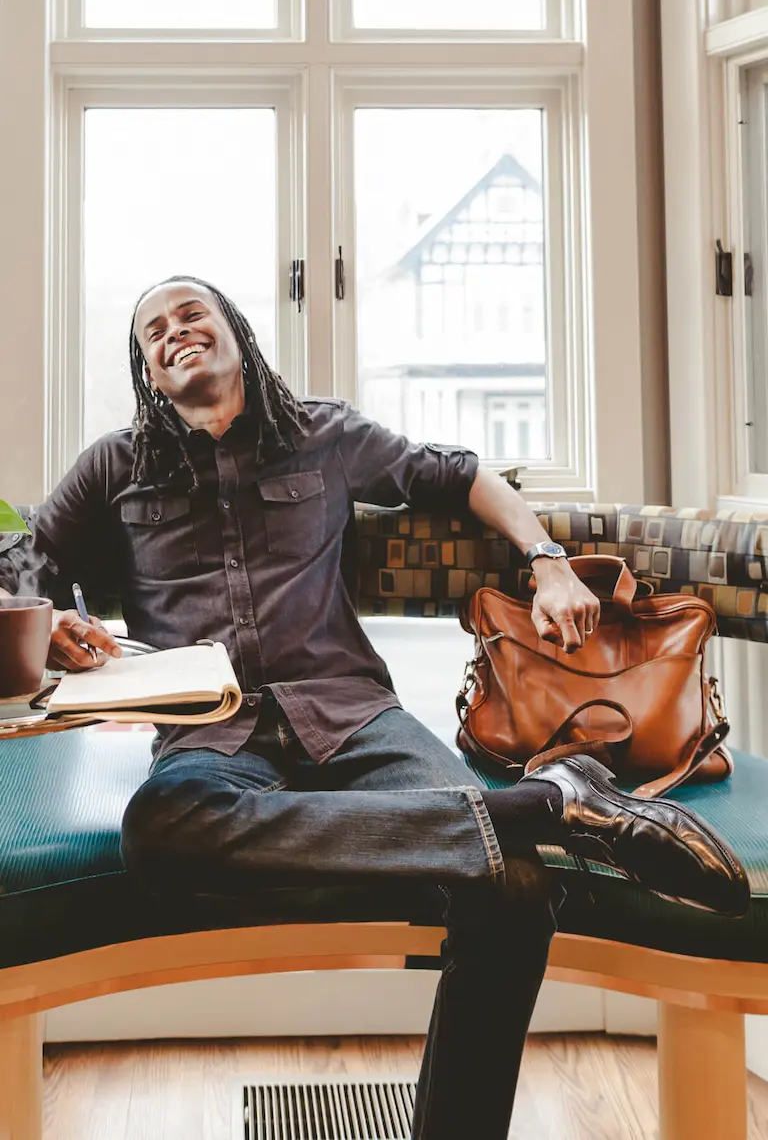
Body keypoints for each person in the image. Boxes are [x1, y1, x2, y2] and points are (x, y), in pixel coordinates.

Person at [1, 276, 749, 1140]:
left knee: (513, 886)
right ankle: (551, 802)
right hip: (210, 733)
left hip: (353, 713)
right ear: (147, 368)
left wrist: (547, 558)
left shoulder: (325, 433)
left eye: (190, 314)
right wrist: (51, 617)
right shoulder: (114, 465)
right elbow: (24, 559)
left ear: (234, 328)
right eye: (153, 332)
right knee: (160, 828)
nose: (174, 334)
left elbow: (458, 473)